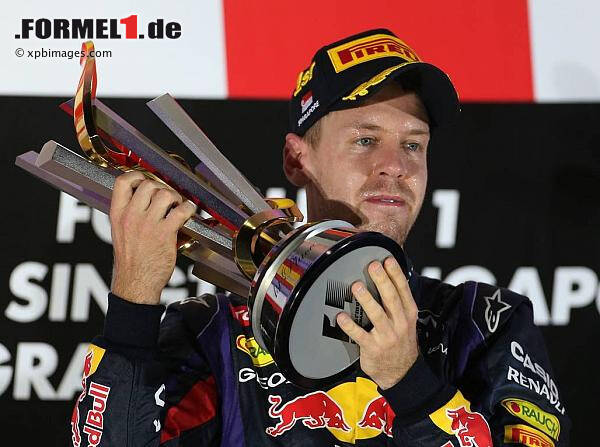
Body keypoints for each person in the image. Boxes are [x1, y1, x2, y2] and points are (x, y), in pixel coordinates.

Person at [71, 29, 570, 446]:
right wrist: (133, 300)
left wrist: (410, 383)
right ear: (297, 159)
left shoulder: (485, 325)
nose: (395, 166)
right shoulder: (214, 335)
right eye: (365, 140)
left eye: (413, 145)